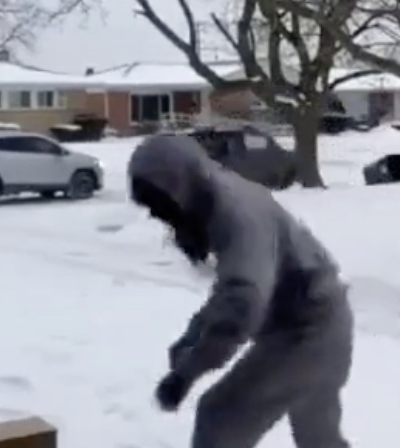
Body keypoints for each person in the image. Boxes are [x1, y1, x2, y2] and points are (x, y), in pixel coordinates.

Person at [127, 133, 354, 448]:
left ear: (179, 186)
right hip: (324, 321)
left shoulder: (236, 215)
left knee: (219, 420)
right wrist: (194, 336)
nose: (156, 214)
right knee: (318, 437)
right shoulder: (218, 193)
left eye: (159, 203)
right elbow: (232, 290)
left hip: (308, 332)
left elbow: (243, 302)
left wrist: (187, 372)